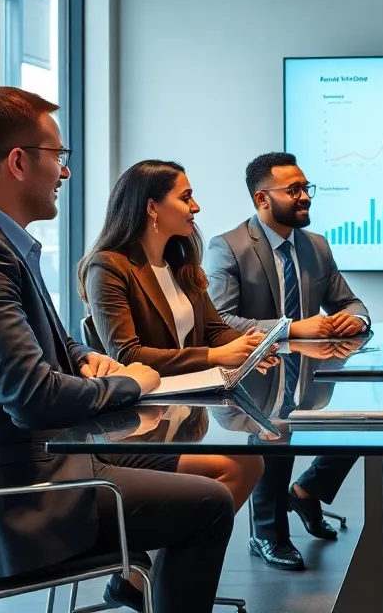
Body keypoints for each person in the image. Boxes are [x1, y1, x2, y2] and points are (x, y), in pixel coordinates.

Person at [0, 87, 234, 613]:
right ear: (17, 162)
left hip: (36, 458)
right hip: (15, 499)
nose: (65, 173)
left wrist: (80, 358)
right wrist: (130, 380)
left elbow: (39, 344)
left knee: (210, 464)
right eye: (58, 156)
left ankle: (141, 587)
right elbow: (31, 397)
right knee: (211, 505)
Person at [203, 152, 368, 571]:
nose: (304, 197)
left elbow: (349, 300)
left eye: (305, 188)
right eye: (293, 190)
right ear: (262, 199)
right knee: (275, 424)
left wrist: (356, 318)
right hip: (254, 374)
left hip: (311, 376)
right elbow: (219, 320)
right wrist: (293, 329)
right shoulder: (229, 247)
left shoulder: (316, 246)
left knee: (366, 420)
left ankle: (308, 490)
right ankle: (266, 533)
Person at [80, 159, 276, 508]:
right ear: (152, 207)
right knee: (241, 465)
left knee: (250, 461)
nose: (196, 207)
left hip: (182, 413)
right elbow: (129, 355)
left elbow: (215, 331)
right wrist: (215, 357)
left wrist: (252, 347)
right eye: (186, 198)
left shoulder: (180, 263)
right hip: (135, 426)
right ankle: (186, 547)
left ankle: (187, 549)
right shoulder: (108, 266)